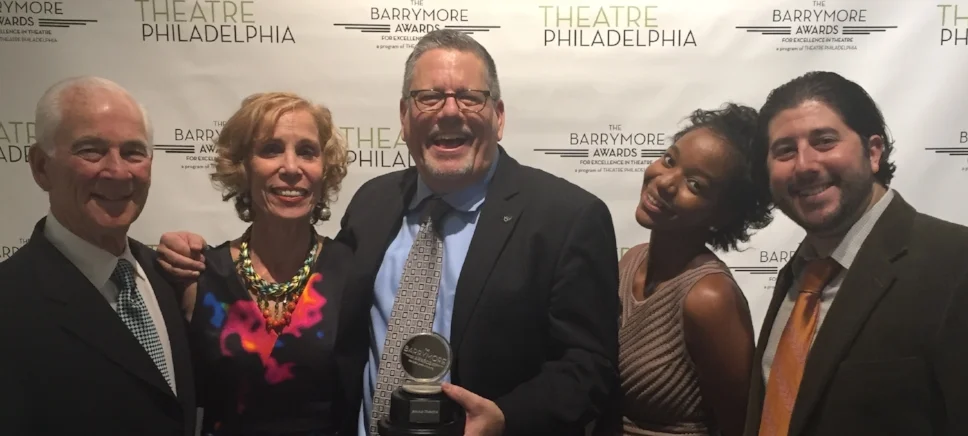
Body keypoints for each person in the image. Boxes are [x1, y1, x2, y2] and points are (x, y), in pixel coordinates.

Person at [158, 29, 621, 436]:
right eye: (429, 97)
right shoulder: (373, 204)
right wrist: (189, 254)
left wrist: (505, 417)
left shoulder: (567, 218)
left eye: (469, 97)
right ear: (404, 117)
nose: (449, 111)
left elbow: (590, 367)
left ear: (498, 116)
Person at [744, 71, 968, 436]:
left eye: (824, 141)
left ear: (874, 151)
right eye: (785, 150)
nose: (804, 164)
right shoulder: (799, 276)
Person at [0, 76, 197, 434]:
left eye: (133, 152)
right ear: (41, 166)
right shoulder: (9, 300)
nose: (118, 171)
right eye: (90, 150)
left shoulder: (171, 278)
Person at [159, 92, 363, 435]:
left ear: (324, 168)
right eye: (271, 149)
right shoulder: (198, 276)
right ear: (242, 166)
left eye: (307, 152)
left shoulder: (353, 272)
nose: (292, 168)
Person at [607, 104, 771, 436]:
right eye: (669, 160)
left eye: (695, 185)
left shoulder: (709, 299)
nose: (665, 182)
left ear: (723, 215)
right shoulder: (631, 260)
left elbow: (741, 427)